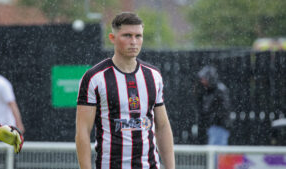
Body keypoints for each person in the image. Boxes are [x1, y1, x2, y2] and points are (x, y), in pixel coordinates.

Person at [75, 12, 175, 169]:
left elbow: (162, 126)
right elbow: (82, 132)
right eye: (127, 35)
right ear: (112, 38)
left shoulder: (153, 76)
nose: (134, 42)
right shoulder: (94, 78)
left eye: (138, 36)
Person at [0, 69, 24, 153]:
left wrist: (19, 125)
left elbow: (13, 105)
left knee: (8, 161)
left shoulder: (2, 84)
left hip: (6, 130)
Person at [194, 65, 231, 145]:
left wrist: (213, 118)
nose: (202, 81)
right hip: (212, 127)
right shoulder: (209, 91)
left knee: (217, 152)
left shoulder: (219, 90)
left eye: (204, 78)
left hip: (219, 127)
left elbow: (224, 110)